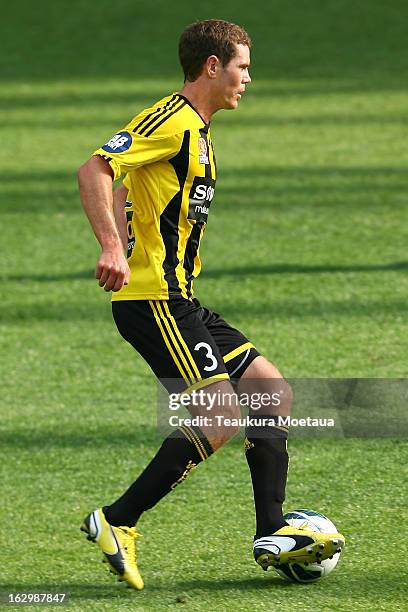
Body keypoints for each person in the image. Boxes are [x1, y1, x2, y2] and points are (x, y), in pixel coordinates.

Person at [77, 19, 344, 590]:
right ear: (211, 67)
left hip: (183, 299)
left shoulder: (198, 131)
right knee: (220, 417)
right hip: (154, 300)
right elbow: (96, 168)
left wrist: (128, 222)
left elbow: (130, 180)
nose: (248, 77)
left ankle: (272, 531)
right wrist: (111, 246)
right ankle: (116, 520)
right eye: (242, 66)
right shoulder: (171, 120)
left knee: (271, 392)